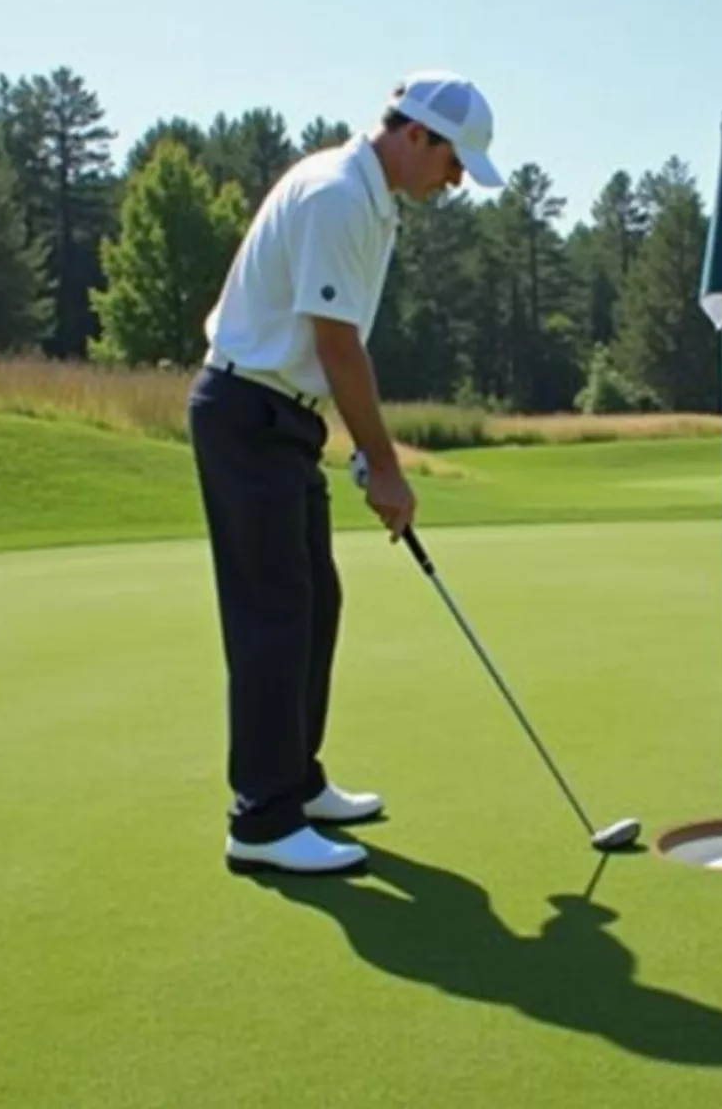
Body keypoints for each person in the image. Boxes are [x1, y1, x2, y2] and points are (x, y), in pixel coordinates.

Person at [187, 71, 503, 876]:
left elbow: (331, 354)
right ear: (416, 135)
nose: (457, 180)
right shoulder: (335, 194)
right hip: (246, 415)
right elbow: (337, 346)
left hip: (283, 420)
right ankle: (260, 822)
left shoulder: (373, 202)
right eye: (455, 161)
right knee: (273, 614)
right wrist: (388, 466)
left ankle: (295, 780)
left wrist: (361, 451)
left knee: (314, 599)